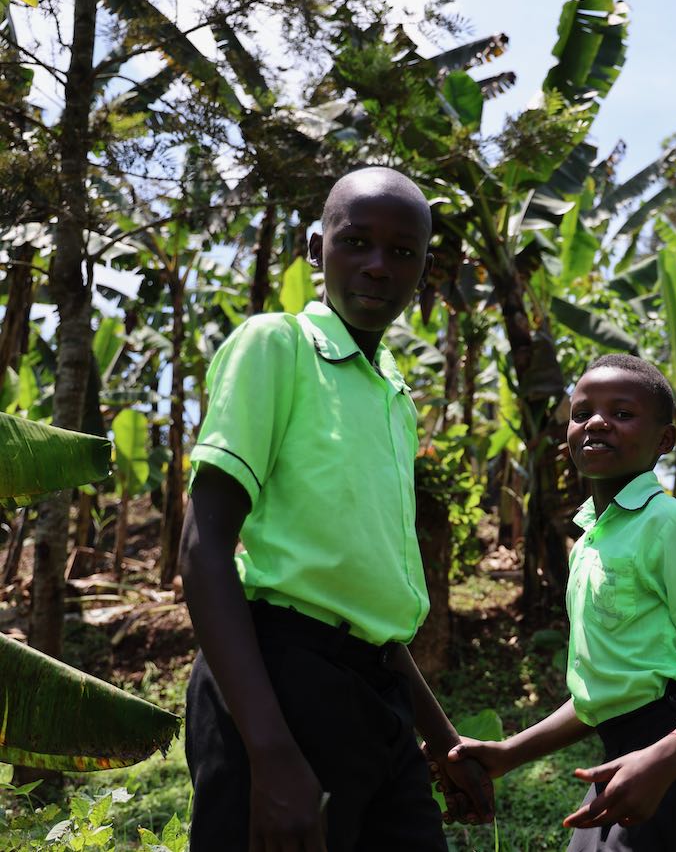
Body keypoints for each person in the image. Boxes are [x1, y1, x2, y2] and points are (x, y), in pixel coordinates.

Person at [179, 167, 493, 851]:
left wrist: (440, 740)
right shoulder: (277, 345)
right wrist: (270, 752)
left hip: (377, 699)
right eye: (357, 243)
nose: (379, 267)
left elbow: (362, 604)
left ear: (425, 270)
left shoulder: (393, 397)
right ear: (315, 250)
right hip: (278, 684)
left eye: (403, 252)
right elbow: (203, 550)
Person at [446, 354, 676, 851]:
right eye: (582, 413)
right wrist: (510, 753)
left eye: (622, 413)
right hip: (625, 764)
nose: (597, 422)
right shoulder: (589, 544)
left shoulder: (670, 525)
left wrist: (669, 756)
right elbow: (603, 696)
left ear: (664, 441)